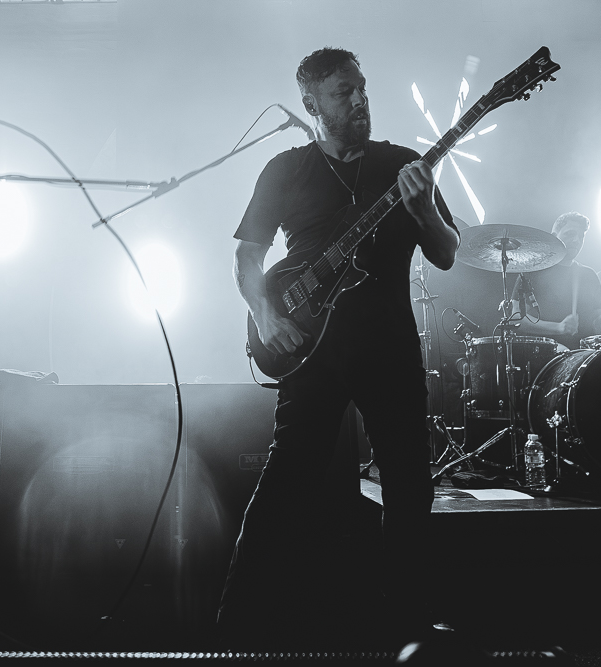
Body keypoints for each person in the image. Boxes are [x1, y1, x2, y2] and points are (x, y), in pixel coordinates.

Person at [218, 47, 459, 648]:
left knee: (409, 483)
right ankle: (238, 626)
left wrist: (424, 209)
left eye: (362, 89)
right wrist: (265, 313)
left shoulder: (404, 164)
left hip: (388, 345)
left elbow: (447, 252)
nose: (359, 101)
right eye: (342, 93)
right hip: (312, 349)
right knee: (287, 481)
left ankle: (406, 625)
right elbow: (247, 256)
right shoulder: (286, 168)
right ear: (312, 104)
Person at [510, 212, 601, 349]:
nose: (576, 240)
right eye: (570, 234)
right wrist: (558, 328)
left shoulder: (589, 275)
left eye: (581, 236)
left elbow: (600, 323)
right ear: (555, 236)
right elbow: (516, 318)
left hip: (585, 353)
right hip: (544, 352)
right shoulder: (533, 271)